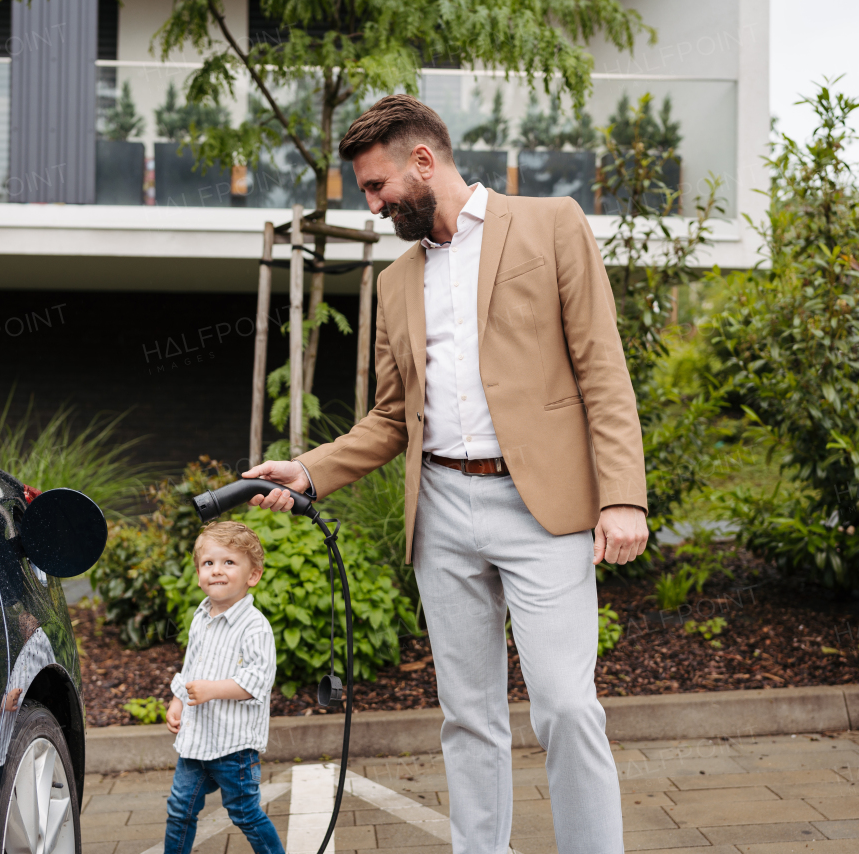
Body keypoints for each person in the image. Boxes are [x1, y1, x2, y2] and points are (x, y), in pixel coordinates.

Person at [242, 94, 649, 854]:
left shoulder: (551, 223)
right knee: (467, 717)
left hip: (545, 513)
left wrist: (622, 495)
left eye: (376, 187)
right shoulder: (397, 281)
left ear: (423, 162)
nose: (372, 206)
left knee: (565, 706)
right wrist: (309, 469)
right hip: (442, 514)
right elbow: (393, 417)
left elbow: (603, 367)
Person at [163, 520, 283, 854]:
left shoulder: (255, 628)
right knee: (179, 809)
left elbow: (258, 679)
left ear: (253, 575)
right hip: (196, 741)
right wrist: (178, 699)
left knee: (244, 812)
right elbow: (191, 666)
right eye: (208, 563)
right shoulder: (201, 618)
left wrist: (214, 690)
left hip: (234, 746)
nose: (217, 570)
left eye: (229, 562)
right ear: (199, 572)